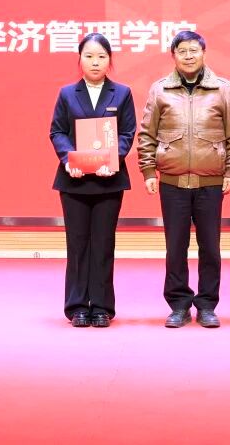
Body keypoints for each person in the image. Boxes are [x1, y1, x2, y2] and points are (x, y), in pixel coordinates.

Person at [138, 30, 230, 328]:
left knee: (210, 248)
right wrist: (148, 171)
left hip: (211, 183)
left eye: (193, 50)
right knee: (175, 248)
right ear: (173, 55)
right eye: (182, 51)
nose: (188, 56)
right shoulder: (160, 90)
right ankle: (179, 305)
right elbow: (146, 134)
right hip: (172, 183)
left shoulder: (223, 89)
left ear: (204, 53)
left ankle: (207, 305)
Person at [49, 33, 136, 328]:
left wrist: (113, 160)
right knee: (77, 245)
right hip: (73, 181)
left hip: (108, 181)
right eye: (89, 56)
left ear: (110, 60)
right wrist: (68, 159)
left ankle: (101, 306)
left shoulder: (122, 93)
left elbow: (127, 133)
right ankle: (77, 306)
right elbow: (57, 132)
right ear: (80, 59)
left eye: (101, 56)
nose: (95, 62)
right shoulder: (67, 94)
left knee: (103, 244)